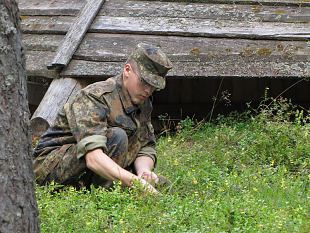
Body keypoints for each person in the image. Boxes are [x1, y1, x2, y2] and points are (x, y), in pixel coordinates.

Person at [33, 43, 173, 193]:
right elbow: (94, 158)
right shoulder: (95, 96)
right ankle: (103, 196)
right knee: (117, 136)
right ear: (127, 70)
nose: (148, 90)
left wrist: (143, 172)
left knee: (164, 185)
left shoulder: (143, 101)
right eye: (144, 82)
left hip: (97, 168)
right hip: (52, 167)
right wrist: (136, 183)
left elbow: (145, 145)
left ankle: (110, 190)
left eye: (153, 86)